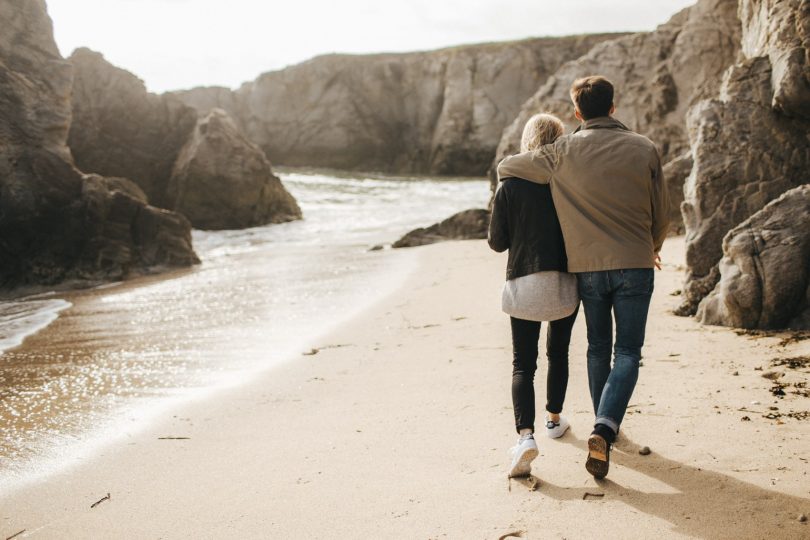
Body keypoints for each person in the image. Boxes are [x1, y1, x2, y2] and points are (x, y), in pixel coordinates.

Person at [497, 76, 670, 480]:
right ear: (613, 107)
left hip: (589, 268)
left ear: (577, 113)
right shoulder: (644, 147)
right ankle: (603, 430)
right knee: (627, 352)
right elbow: (662, 212)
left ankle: (601, 428)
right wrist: (653, 246)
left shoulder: (562, 150)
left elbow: (508, 166)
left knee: (597, 348)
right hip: (635, 263)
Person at [488, 113, 580, 479]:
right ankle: (554, 421)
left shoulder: (508, 186)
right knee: (558, 353)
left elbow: (497, 243)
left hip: (524, 284)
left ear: (526, 141)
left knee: (523, 365)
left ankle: (526, 438)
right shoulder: (569, 183)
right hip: (564, 283)